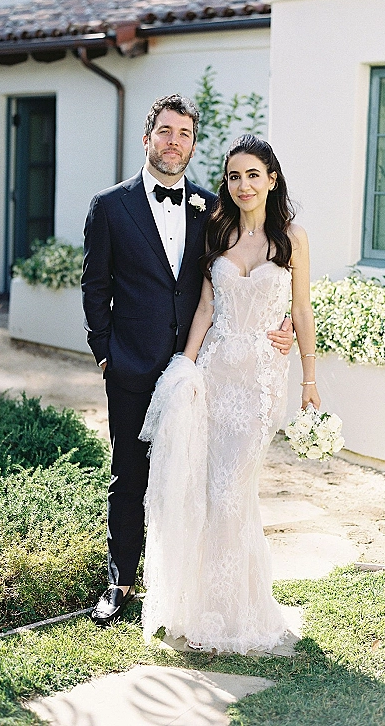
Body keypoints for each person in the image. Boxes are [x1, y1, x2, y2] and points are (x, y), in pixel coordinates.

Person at [82, 96, 294, 626]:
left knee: (193, 476)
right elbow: (95, 286)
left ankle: (179, 581)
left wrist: (283, 325)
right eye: (165, 131)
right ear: (148, 136)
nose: (174, 141)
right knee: (129, 475)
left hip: (200, 370)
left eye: (184, 134)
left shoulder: (211, 211)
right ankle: (120, 580)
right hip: (130, 366)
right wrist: (106, 355)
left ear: (193, 145)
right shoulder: (109, 206)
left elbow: (238, 280)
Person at [140, 134, 320, 654]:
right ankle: (205, 609)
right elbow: (203, 309)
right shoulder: (216, 235)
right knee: (205, 490)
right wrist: (184, 373)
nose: (243, 185)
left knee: (231, 492)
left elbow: (302, 312)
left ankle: (238, 614)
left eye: (252, 175)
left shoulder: (293, 239)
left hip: (260, 381)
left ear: (272, 179)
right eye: (234, 176)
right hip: (215, 373)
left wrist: (309, 377)